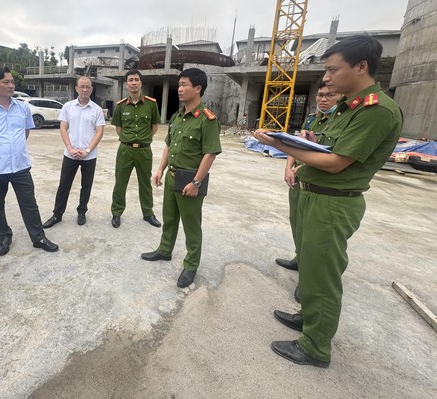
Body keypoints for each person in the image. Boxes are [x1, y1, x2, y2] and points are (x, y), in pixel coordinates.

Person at [254, 35, 403, 368]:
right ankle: (309, 319)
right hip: (314, 196)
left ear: (361, 67)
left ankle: (315, 347)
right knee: (309, 267)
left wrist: (281, 145)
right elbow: (327, 146)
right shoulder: (347, 106)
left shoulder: (377, 111)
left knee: (322, 276)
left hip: (333, 203)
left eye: (333, 70)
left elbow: (336, 162)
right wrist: (308, 140)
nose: (327, 78)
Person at [140, 68, 221, 288]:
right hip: (172, 176)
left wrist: (196, 182)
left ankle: (191, 264)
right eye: (179, 84)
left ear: (198, 88)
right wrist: (160, 170)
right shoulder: (177, 116)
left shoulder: (207, 119)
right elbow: (168, 144)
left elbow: (210, 153)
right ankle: (165, 250)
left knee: (191, 225)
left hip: (190, 180)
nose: (180, 89)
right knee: (169, 217)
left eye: (184, 84)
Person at [0, 67, 59, 256]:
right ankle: (4, 236)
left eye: (12, 82)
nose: (11, 85)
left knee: (29, 203)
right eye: (6, 82)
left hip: (20, 166)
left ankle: (38, 238)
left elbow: (25, 132)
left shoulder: (22, 108)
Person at [277, 81, 340, 303]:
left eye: (329, 95)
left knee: (313, 237)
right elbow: (297, 145)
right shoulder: (312, 119)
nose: (323, 99)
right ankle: (298, 258)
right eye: (320, 95)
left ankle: (308, 282)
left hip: (318, 184)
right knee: (297, 223)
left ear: (340, 97)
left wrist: (301, 166)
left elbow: (333, 157)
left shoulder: (338, 121)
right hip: (299, 182)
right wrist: (288, 168)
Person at [42, 76, 105, 228]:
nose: (85, 89)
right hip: (70, 154)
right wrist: (70, 148)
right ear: (76, 88)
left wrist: (87, 150)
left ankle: (82, 212)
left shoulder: (96, 109)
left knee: (86, 185)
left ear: (91, 89)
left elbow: (99, 132)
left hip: (89, 156)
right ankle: (57, 214)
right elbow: (63, 128)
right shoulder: (68, 107)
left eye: (88, 87)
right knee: (64, 185)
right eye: (82, 86)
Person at [109, 69, 162, 228]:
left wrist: (144, 140)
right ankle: (116, 213)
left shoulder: (151, 104)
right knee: (120, 182)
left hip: (144, 151)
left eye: (136, 80)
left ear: (141, 83)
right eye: (130, 80)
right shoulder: (120, 106)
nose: (133, 83)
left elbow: (154, 126)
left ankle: (148, 213)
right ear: (126, 84)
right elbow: (119, 129)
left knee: (145, 182)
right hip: (125, 150)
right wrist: (129, 140)